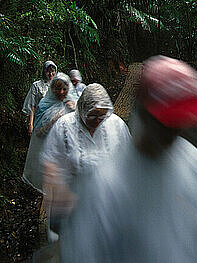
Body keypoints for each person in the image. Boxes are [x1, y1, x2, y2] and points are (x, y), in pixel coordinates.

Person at [59, 55, 197, 263]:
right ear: (144, 114)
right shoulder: (103, 187)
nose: (174, 132)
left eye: (180, 122)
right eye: (166, 123)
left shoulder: (194, 162)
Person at [40, 84, 131, 234]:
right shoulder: (64, 126)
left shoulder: (116, 125)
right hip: (74, 206)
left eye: (102, 115)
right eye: (92, 115)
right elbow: (51, 163)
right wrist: (59, 196)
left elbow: (129, 160)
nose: (97, 120)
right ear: (82, 109)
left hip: (110, 204)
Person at [22, 72, 76, 194]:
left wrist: (74, 110)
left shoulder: (73, 104)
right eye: (58, 89)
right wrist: (54, 120)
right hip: (49, 152)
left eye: (64, 89)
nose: (61, 92)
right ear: (52, 89)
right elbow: (39, 133)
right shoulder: (43, 105)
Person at [22, 61, 57, 136]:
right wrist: (30, 124)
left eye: (52, 71)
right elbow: (32, 105)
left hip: (54, 121)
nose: (50, 74)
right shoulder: (37, 85)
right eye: (48, 71)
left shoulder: (58, 86)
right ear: (44, 71)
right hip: (40, 120)